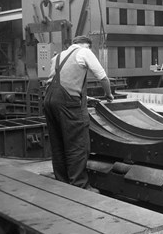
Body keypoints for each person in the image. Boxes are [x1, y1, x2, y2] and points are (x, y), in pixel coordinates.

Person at [43, 35, 113, 190]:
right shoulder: (85, 52)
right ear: (87, 45)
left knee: (58, 143)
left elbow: (60, 82)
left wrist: (86, 98)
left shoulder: (58, 56)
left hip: (49, 100)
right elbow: (102, 77)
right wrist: (109, 94)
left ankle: (62, 181)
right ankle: (79, 185)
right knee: (77, 144)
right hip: (67, 103)